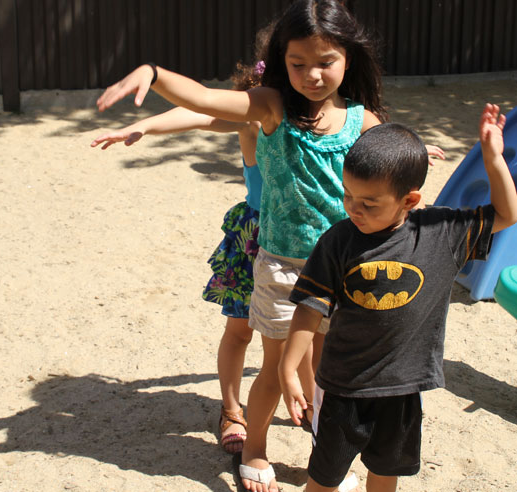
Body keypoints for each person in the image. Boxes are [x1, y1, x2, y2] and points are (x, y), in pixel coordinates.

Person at [97, 1, 386, 490]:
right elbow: (205, 102)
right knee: (275, 366)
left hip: (339, 268)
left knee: (328, 369)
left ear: (348, 59)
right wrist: (154, 73)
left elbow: (386, 190)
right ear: (281, 60)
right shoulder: (271, 107)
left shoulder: (366, 124)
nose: (311, 75)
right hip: (282, 268)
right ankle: (254, 446)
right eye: (298, 64)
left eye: (325, 62)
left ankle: (324, 446)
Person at [279, 104, 517, 492]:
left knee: (385, 473)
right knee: (323, 478)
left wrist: (492, 156)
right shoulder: (338, 240)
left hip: (403, 389)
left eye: (369, 203)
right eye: (348, 195)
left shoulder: (442, 234)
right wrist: (288, 368)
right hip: (342, 387)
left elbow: (507, 214)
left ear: (409, 200)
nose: (353, 208)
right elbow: (309, 308)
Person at [91, 24, 274, 455]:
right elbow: (196, 113)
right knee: (241, 331)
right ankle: (232, 410)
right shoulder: (252, 118)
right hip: (255, 240)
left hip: (301, 243)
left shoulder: (313, 120)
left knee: (299, 338)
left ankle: (310, 405)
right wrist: (145, 126)